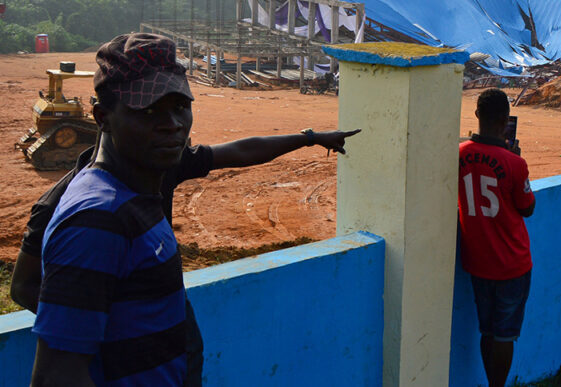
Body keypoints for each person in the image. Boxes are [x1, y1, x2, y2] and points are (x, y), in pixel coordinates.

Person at [25, 33, 358, 387]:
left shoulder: (149, 175)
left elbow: (241, 151)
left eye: (180, 106)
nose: (172, 124)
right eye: (148, 109)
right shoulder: (97, 220)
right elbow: (57, 375)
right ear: (102, 117)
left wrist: (309, 138)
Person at [459, 89, 536, 387]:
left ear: (477, 115)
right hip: (511, 264)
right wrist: (513, 158)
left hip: (477, 262)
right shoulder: (515, 163)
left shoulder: (460, 153)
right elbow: (527, 208)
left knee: (487, 331)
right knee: (505, 334)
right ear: (506, 121)